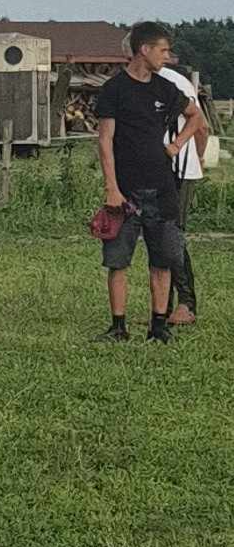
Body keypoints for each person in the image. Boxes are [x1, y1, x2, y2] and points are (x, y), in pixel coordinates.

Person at [94, 21, 204, 343]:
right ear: (144, 50)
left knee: (164, 260)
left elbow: (195, 116)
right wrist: (111, 188)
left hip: (162, 188)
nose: (167, 57)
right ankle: (118, 326)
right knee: (118, 261)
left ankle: (159, 326)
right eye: (163, 50)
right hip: (125, 190)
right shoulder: (114, 90)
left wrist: (175, 145)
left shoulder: (164, 88)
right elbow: (105, 141)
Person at [159, 60, 207, 326]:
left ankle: (186, 303)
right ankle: (162, 305)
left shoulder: (174, 82)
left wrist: (193, 159)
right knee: (158, 237)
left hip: (178, 171)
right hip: (154, 171)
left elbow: (201, 126)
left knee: (172, 236)